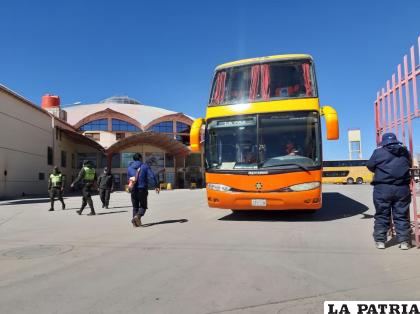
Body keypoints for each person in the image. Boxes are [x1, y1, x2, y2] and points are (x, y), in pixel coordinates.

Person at [367, 133, 412, 250]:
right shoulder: (405, 152)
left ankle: (380, 241)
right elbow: (409, 164)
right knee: (401, 215)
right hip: (402, 188)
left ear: (383, 142)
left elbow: (370, 166)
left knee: (382, 214)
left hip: (383, 188)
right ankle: (404, 242)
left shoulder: (378, 152)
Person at [127, 153, 160, 227]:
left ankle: (135, 224)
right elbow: (151, 176)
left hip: (133, 189)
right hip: (142, 189)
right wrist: (156, 186)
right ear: (140, 158)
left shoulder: (129, 168)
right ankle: (137, 217)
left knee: (135, 207)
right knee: (143, 206)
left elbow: (128, 179)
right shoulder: (144, 166)